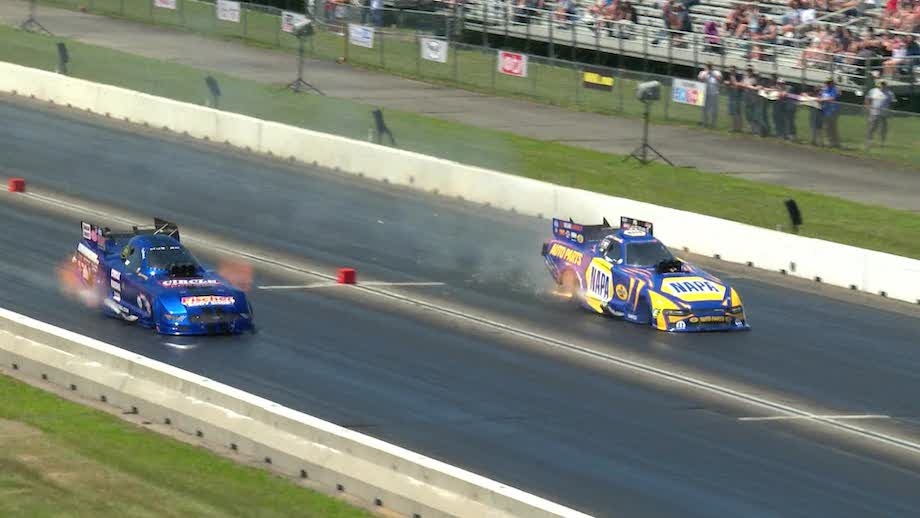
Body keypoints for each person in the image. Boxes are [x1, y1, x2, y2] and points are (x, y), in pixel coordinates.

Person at [865, 80, 894, 148]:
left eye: (884, 84)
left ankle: (882, 143)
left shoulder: (889, 93)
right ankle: (869, 141)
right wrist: (868, 107)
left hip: (884, 114)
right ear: (878, 85)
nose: (882, 86)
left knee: (883, 129)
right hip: (874, 113)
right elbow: (867, 99)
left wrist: (890, 111)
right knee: (872, 128)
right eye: (881, 84)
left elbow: (892, 103)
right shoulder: (873, 91)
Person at [698, 63, 722, 129]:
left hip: (714, 94)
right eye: (708, 66)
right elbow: (700, 79)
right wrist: (707, 73)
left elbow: (720, 80)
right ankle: (705, 123)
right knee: (704, 109)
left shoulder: (717, 72)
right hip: (705, 93)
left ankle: (713, 124)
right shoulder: (703, 72)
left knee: (714, 109)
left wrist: (712, 74)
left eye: (710, 66)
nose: (710, 67)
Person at [820, 78, 841, 148]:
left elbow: (832, 98)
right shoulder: (824, 90)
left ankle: (835, 142)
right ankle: (828, 142)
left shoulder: (834, 89)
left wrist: (823, 99)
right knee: (826, 127)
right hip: (825, 110)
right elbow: (821, 96)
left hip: (833, 111)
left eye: (829, 83)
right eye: (827, 83)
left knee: (832, 127)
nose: (828, 84)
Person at [724, 65, 744, 132]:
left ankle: (739, 128)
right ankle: (734, 127)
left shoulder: (739, 76)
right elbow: (726, 83)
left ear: (735, 70)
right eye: (731, 70)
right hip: (731, 95)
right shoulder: (728, 76)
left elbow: (739, 84)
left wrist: (733, 81)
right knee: (732, 112)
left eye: (733, 70)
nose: (731, 72)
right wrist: (728, 83)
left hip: (738, 96)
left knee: (738, 112)